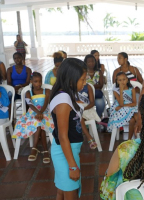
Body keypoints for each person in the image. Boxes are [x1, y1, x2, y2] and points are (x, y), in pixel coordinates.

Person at [50, 58, 89, 199]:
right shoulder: (63, 101)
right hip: (65, 154)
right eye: (82, 80)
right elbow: (63, 136)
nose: (85, 83)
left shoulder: (66, 94)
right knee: (70, 192)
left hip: (68, 151)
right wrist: (72, 166)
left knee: (62, 190)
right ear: (71, 79)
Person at [12, 72, 54, 163]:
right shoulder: (28, 92)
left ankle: (34, 148)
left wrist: (40, 112)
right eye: (35, 81)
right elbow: (30, 104)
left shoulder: (46, 91)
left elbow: (46, 103)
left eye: (40, 81)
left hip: (44, 112)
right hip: (32, 113)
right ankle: (45, 150)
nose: (38, 84)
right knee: (39, 122)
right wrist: (38, 112)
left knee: (39, 121)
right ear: (31, 81)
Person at [107, 72, 138, 140]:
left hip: (128, 107)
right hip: (120, 108)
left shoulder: (131, 88)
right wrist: (121, 91)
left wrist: (124, 106)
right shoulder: (116, 90)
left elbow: (134, 103)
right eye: (119, 80)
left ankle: (133, 137)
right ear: (117, 81)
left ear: (127, 79)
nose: (122, 82)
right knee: (133, 119)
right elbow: (120, 103)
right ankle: (133, 138)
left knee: (135, 118)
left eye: (124, 79)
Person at [77, 83, 100, 149]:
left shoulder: (88, 86)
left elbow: (92, 103)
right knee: (78, 115)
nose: (84, 82)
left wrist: (83, 109)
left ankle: (86, 136)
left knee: (78, 116)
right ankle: (88, 137)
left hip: (87, 108)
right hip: (76, 108)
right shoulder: (70, 86)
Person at [84, 54, 106, 119]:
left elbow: (101, 85)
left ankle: (97, 118)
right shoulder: (83, 72)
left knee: (100, 104)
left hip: (96, 94)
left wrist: (89, 86)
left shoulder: (99, 72)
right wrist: (95, 86)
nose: (91, 63)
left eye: (93, 61)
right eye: (89, 62)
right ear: (86, 63)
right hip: (85, 94)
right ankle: (88, 119)